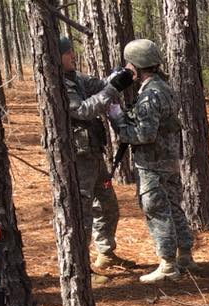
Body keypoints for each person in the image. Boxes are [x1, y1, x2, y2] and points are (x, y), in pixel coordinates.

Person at [108, 39, 196, 285]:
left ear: (135, 67)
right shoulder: (165, 87)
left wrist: (118, 121)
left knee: (156, 209)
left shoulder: (149, 95)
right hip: (169, 161)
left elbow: (145, 135)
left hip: (153, 163)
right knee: (173, 206)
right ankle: (185, 255)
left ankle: (168, 264)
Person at [59, 35, 135, 273]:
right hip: (78, 159)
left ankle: (106, 253)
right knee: (82, 213)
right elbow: (81, 110)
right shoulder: (58, 84)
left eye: (73, 51)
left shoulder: (77, 78)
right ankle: (80, 268)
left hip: (94, 153)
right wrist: (112, 88)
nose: (73, 55)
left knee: (108, 204)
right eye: (67, 52)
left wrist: (120, 76)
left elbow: (102, 86)